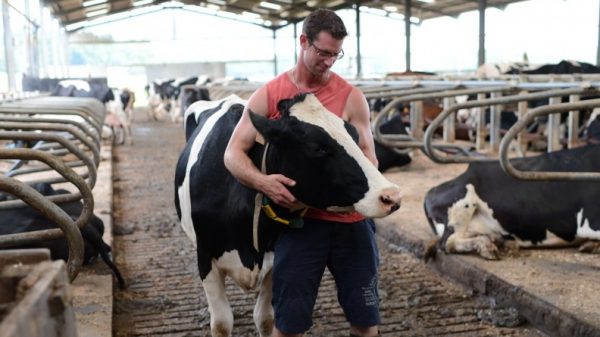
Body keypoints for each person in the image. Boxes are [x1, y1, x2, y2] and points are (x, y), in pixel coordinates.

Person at [224, 8, 381, 337]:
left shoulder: (352, 98)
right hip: (300, 226)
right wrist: (263, 182)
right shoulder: (270, 95)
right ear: (303, 41)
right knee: (289, 324)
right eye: (323, 53)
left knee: (366, 322)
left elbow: (370, 159)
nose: (328, 62)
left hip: (351, 225)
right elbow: (233, 153)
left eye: (336, 55)